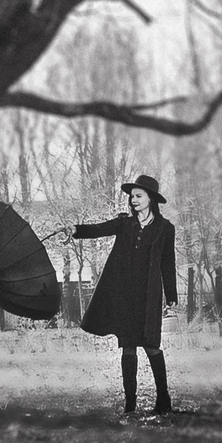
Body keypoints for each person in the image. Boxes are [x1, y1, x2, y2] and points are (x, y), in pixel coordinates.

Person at [75, 173, 179, 418]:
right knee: (128, 349)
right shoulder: (124, 224)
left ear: (151, 199)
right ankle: (130, 404)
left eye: (138, 196)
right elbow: (99, 229)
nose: (134, 200)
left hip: (149, 297)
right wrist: (75, 230)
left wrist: (171, 295)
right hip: (125, 296)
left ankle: (163, 399)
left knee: (152, 346)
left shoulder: (165, 229)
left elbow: (168, 263)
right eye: (132, 196)